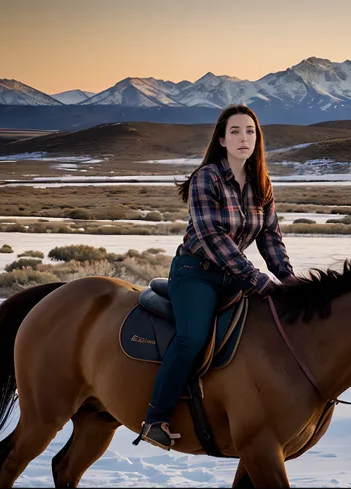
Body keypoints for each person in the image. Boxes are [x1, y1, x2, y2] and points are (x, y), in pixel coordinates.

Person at [133, 104, 295, 450]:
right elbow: (211, 237)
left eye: (250, 131)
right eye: (235, 131)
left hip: (234, 274)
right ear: (221, 139)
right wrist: (255, 277)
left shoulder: (261, 184)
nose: (243, 138)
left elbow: (270, 238)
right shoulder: (206, 177)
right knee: (192, 337)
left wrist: (288, 279)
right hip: (197, 273)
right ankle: (156, 418)